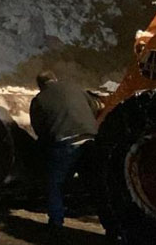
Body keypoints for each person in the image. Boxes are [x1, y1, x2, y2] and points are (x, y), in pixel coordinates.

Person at [28, 70, 98, 229]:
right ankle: (112, 225)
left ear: (40, 85)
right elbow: (93, 106)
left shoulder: (39, 99)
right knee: (94, 184)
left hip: (65, 143)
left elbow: (39, 128)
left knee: (54, 184)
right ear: (55, 79)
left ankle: (56, 222)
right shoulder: (74, 87)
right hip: (90, 138)